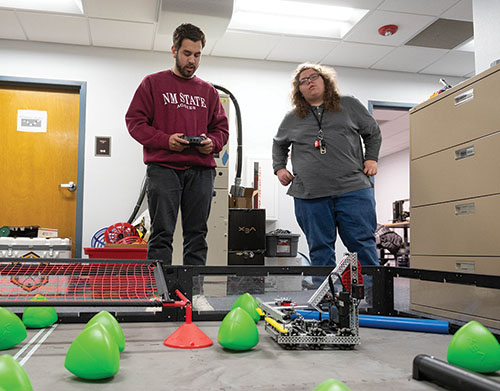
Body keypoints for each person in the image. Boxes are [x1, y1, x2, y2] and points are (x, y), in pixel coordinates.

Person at [125, 23, 229, 265]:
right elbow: (134, 122)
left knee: (197, 235)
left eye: (197, 54)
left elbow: (222, 130)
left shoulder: (209, 92)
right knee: (161, 234)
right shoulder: (152, 83)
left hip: (201, 171)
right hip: (164, 168)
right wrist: (166, 140)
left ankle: (193, 294)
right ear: (174, 50)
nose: (192, 60)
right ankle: (161, 295)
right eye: (187, 53)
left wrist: (211, 143)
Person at [272, 63, 381, 269]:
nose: (309, 82)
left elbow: (373, 132)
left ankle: (373, 297)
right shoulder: (292, 118)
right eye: (303, 81)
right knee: (320, 249)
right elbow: (279, 144)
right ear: (299, 90)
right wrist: (280, 168)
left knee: (362, 245)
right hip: (310, 195)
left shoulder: (348, 105)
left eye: (314, 77)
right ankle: (325, 300)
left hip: (353, 189)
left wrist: (371, 158)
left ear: (325, 81)